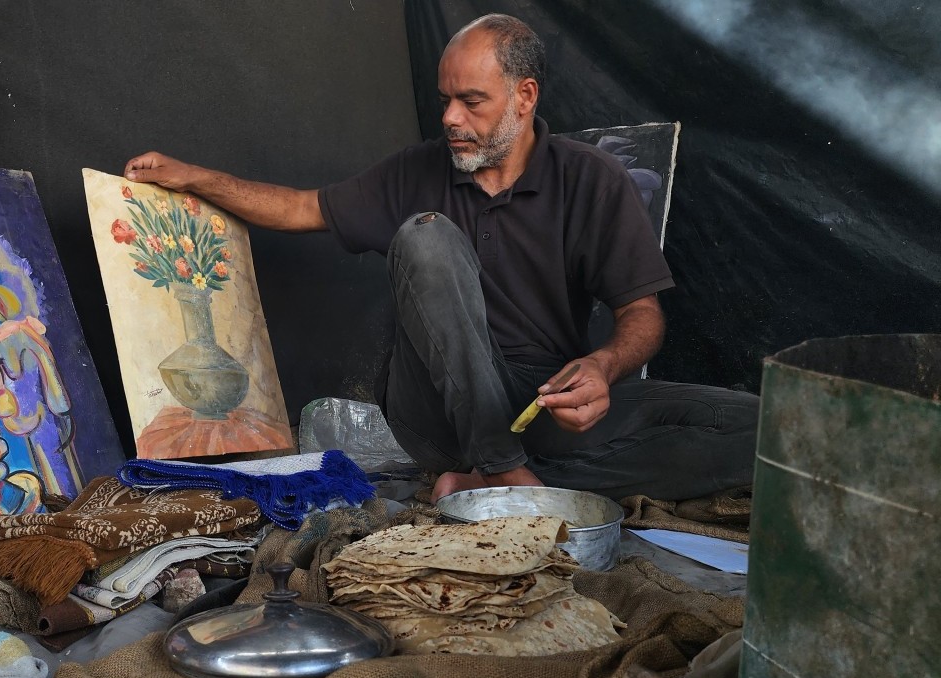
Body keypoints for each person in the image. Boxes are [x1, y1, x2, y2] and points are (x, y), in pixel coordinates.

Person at [123, 14, 758, 503]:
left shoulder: (593, 181)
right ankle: (502, 472)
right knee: (426, 234)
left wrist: (600, 365)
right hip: (436, 412)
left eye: (472, 101)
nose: (451, 117)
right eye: (445, 99)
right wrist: (196, 177)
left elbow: (642, 317)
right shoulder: (417, 172)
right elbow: (300, 208)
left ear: (525, 96)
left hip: (540, 400)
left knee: (757, 427)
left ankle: (501, 481)